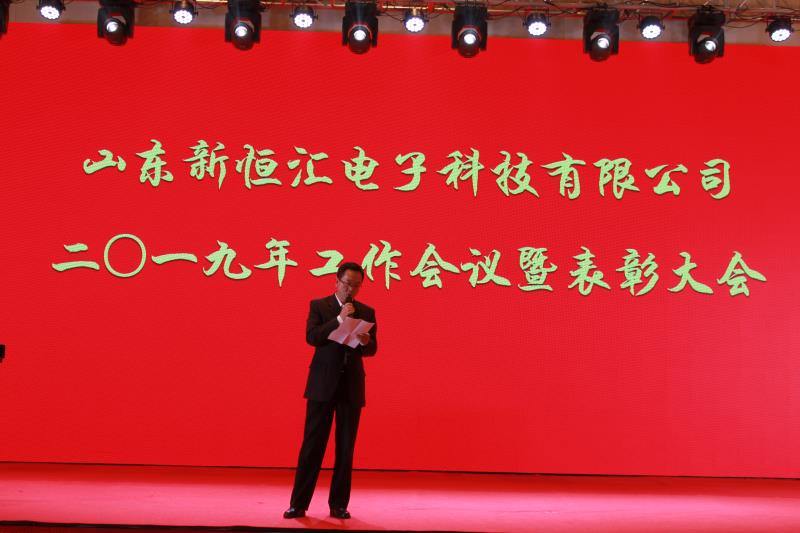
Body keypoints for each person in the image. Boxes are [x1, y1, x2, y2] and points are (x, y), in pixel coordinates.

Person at [284, 262, 378, 520]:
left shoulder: (367, 311)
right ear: (336, 281)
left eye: (356, 285)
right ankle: (298, 504)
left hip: (351, 387)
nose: (351, 289)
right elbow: (312, 337)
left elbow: (372, 349)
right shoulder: (319, 306)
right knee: (312, 445)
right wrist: (339, 320)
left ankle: (338, 505)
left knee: (345, 449)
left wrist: (366, 341)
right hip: (322, 385)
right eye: (347, 283)